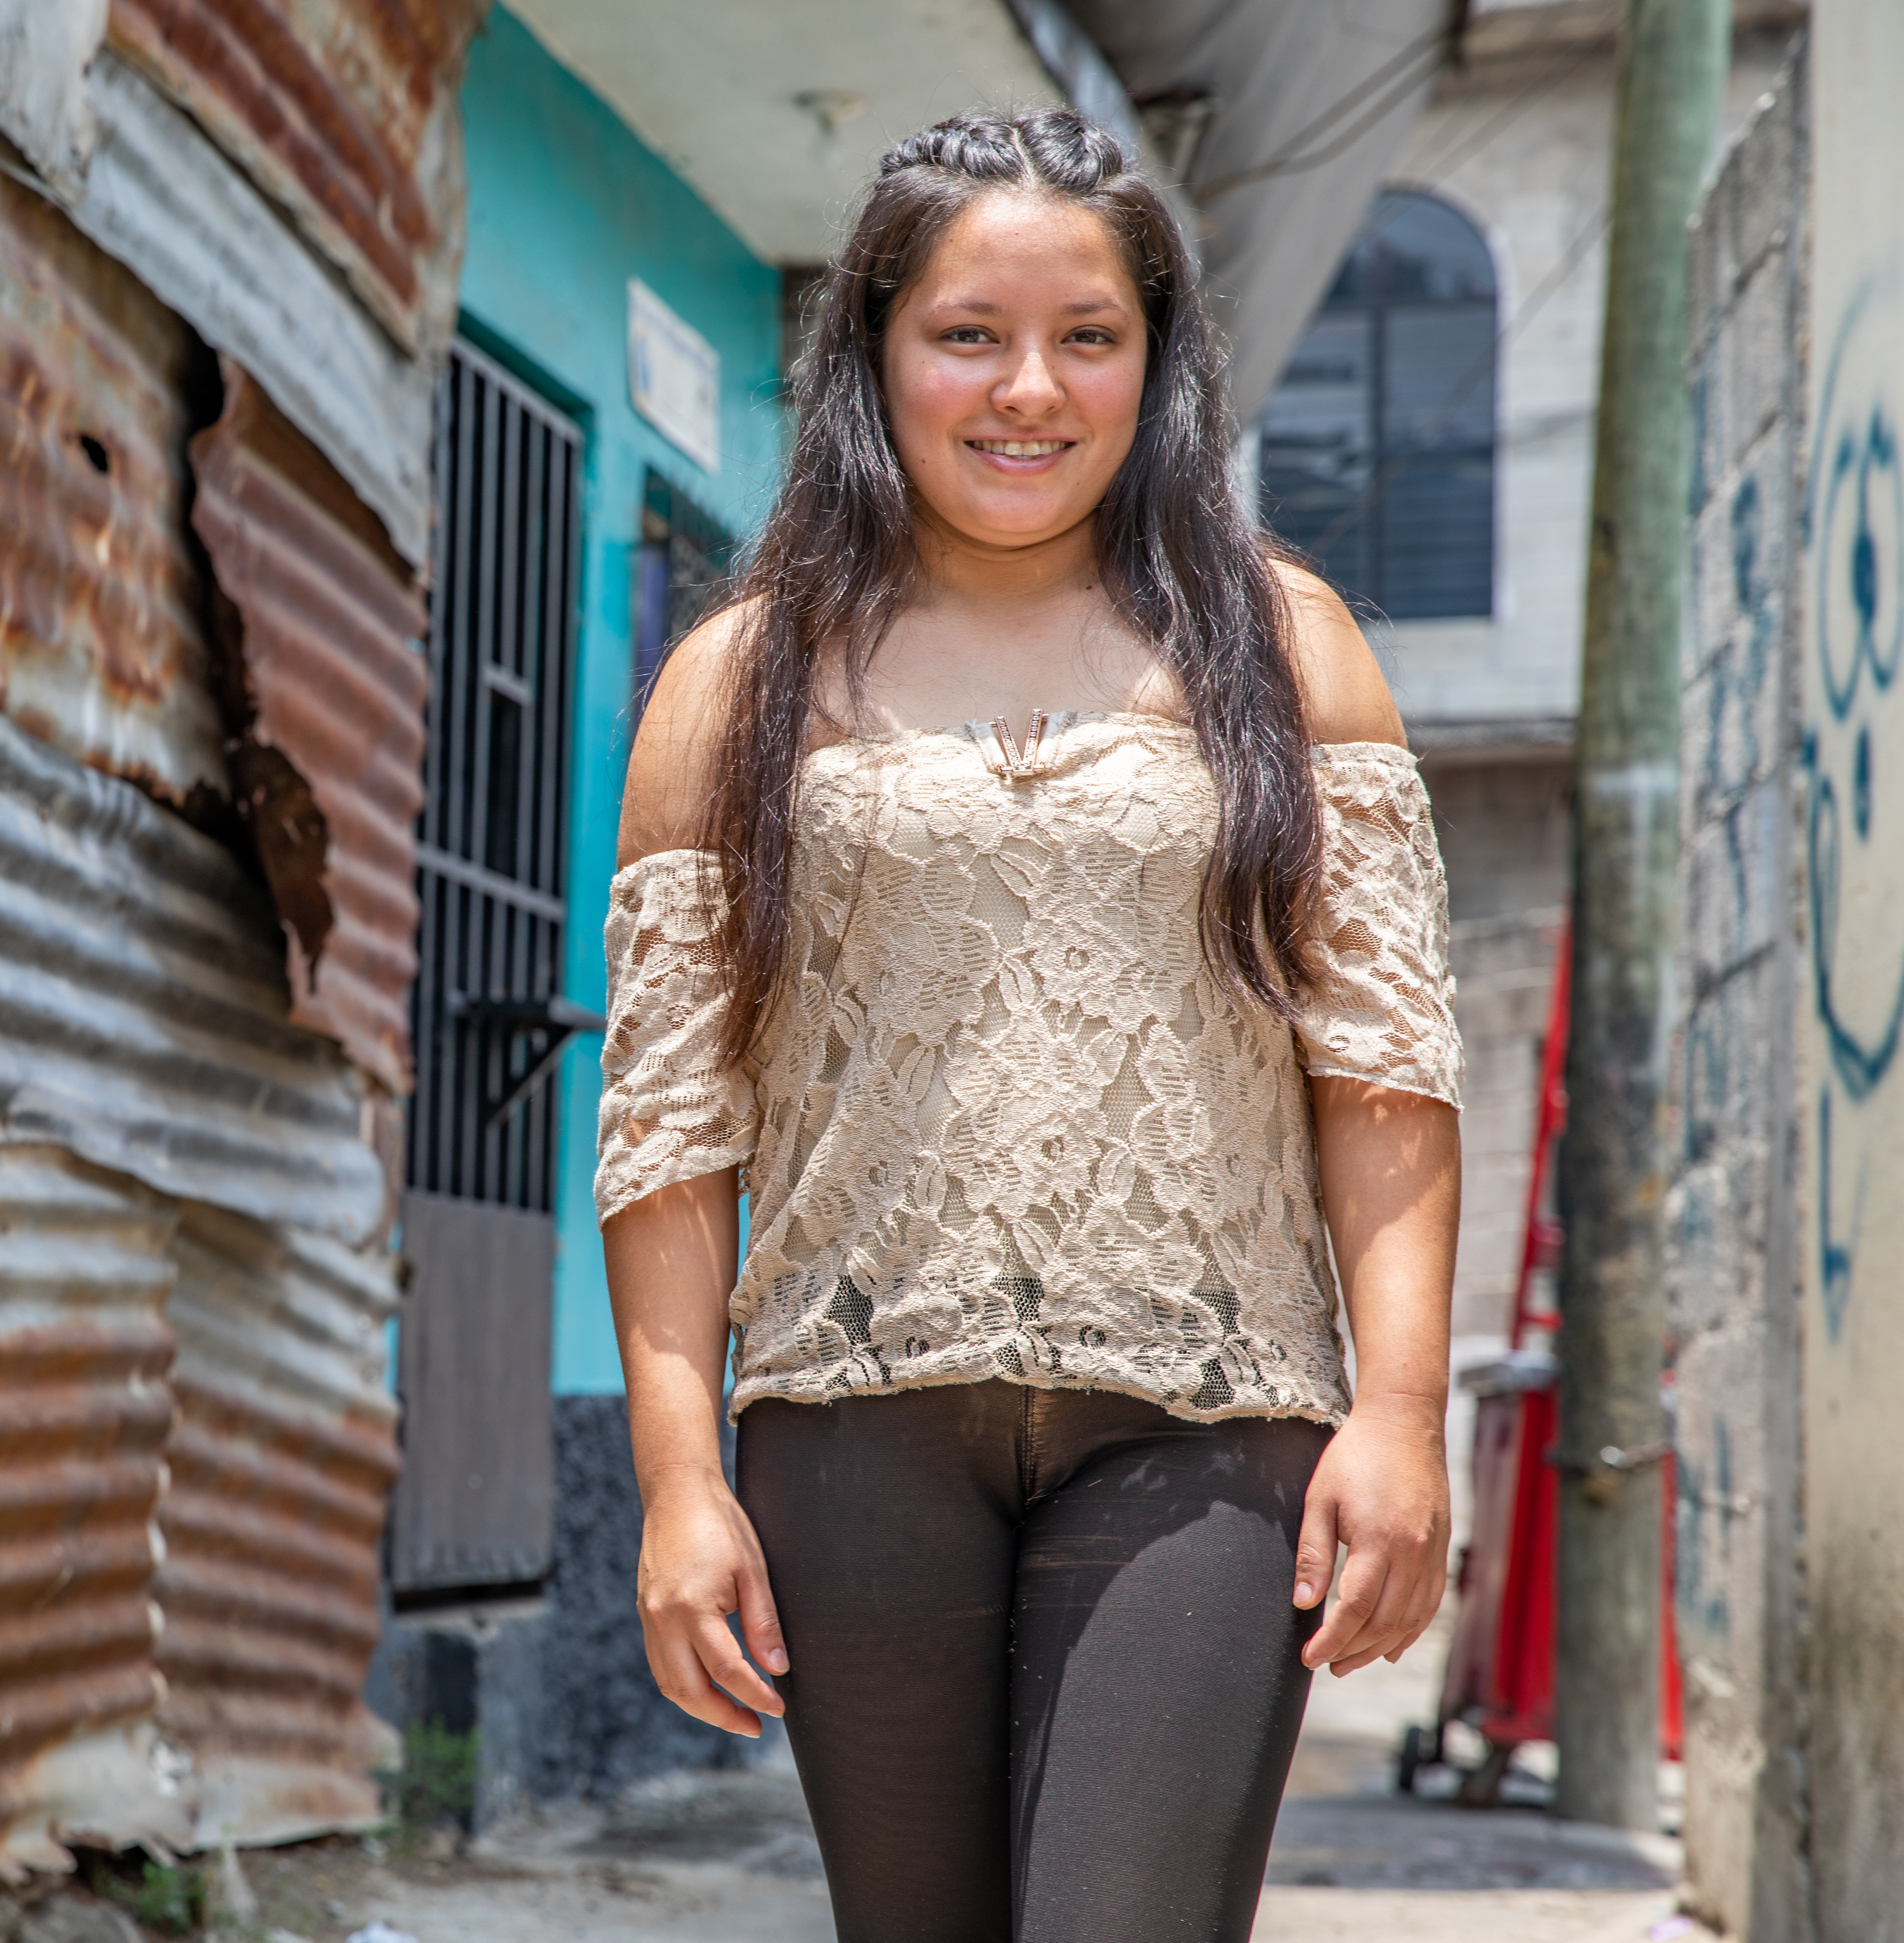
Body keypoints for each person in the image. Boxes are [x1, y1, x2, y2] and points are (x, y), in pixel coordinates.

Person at [596, 109, 1462, 1943]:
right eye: (968, 332)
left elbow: (1382, 1066)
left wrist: (1400, 1418)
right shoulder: (735, 680)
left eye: (1090, 336)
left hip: (1212, 1428)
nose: (1029, 390)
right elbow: (673, 1123)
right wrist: (678, 1485)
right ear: (877, 350)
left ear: (1156, 366)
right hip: (852, 1429)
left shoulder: (1284, 646)